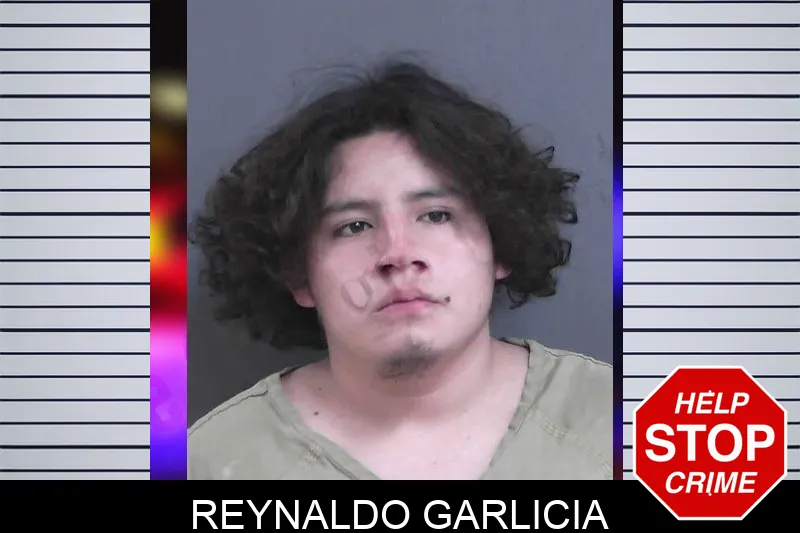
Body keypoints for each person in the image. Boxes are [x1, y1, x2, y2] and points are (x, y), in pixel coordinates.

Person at [188, 59, 612, 480]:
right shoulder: (210, 462)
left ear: (501, 243)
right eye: (354, 226)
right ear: (299, 275)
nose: (398, 253)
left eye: (436, 215)